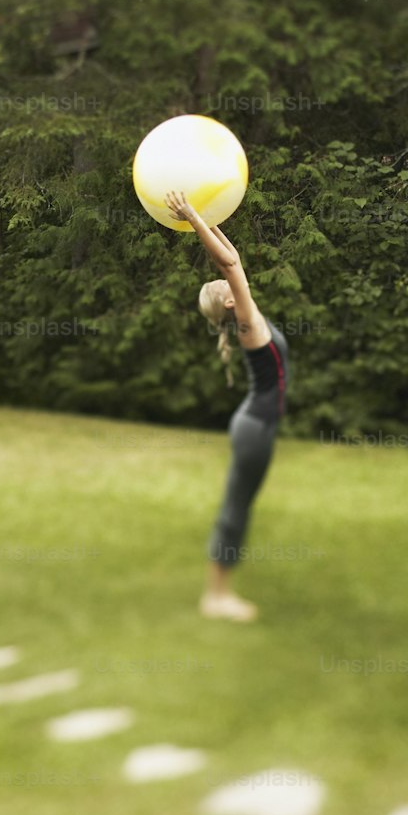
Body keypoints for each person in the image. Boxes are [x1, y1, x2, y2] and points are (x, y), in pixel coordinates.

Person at [164, 190, 290, 623]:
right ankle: (216, 597)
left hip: (256, 426)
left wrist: (205, 216)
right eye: (221, 287)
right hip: (255, 429)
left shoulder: (245, 313)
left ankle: (219, 593)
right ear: (230, 302)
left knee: (241, 505)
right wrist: (194, 218)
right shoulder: (249, 324)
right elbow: (229, 265)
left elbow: (232, 258)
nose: (224, 280)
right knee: (236, 508)